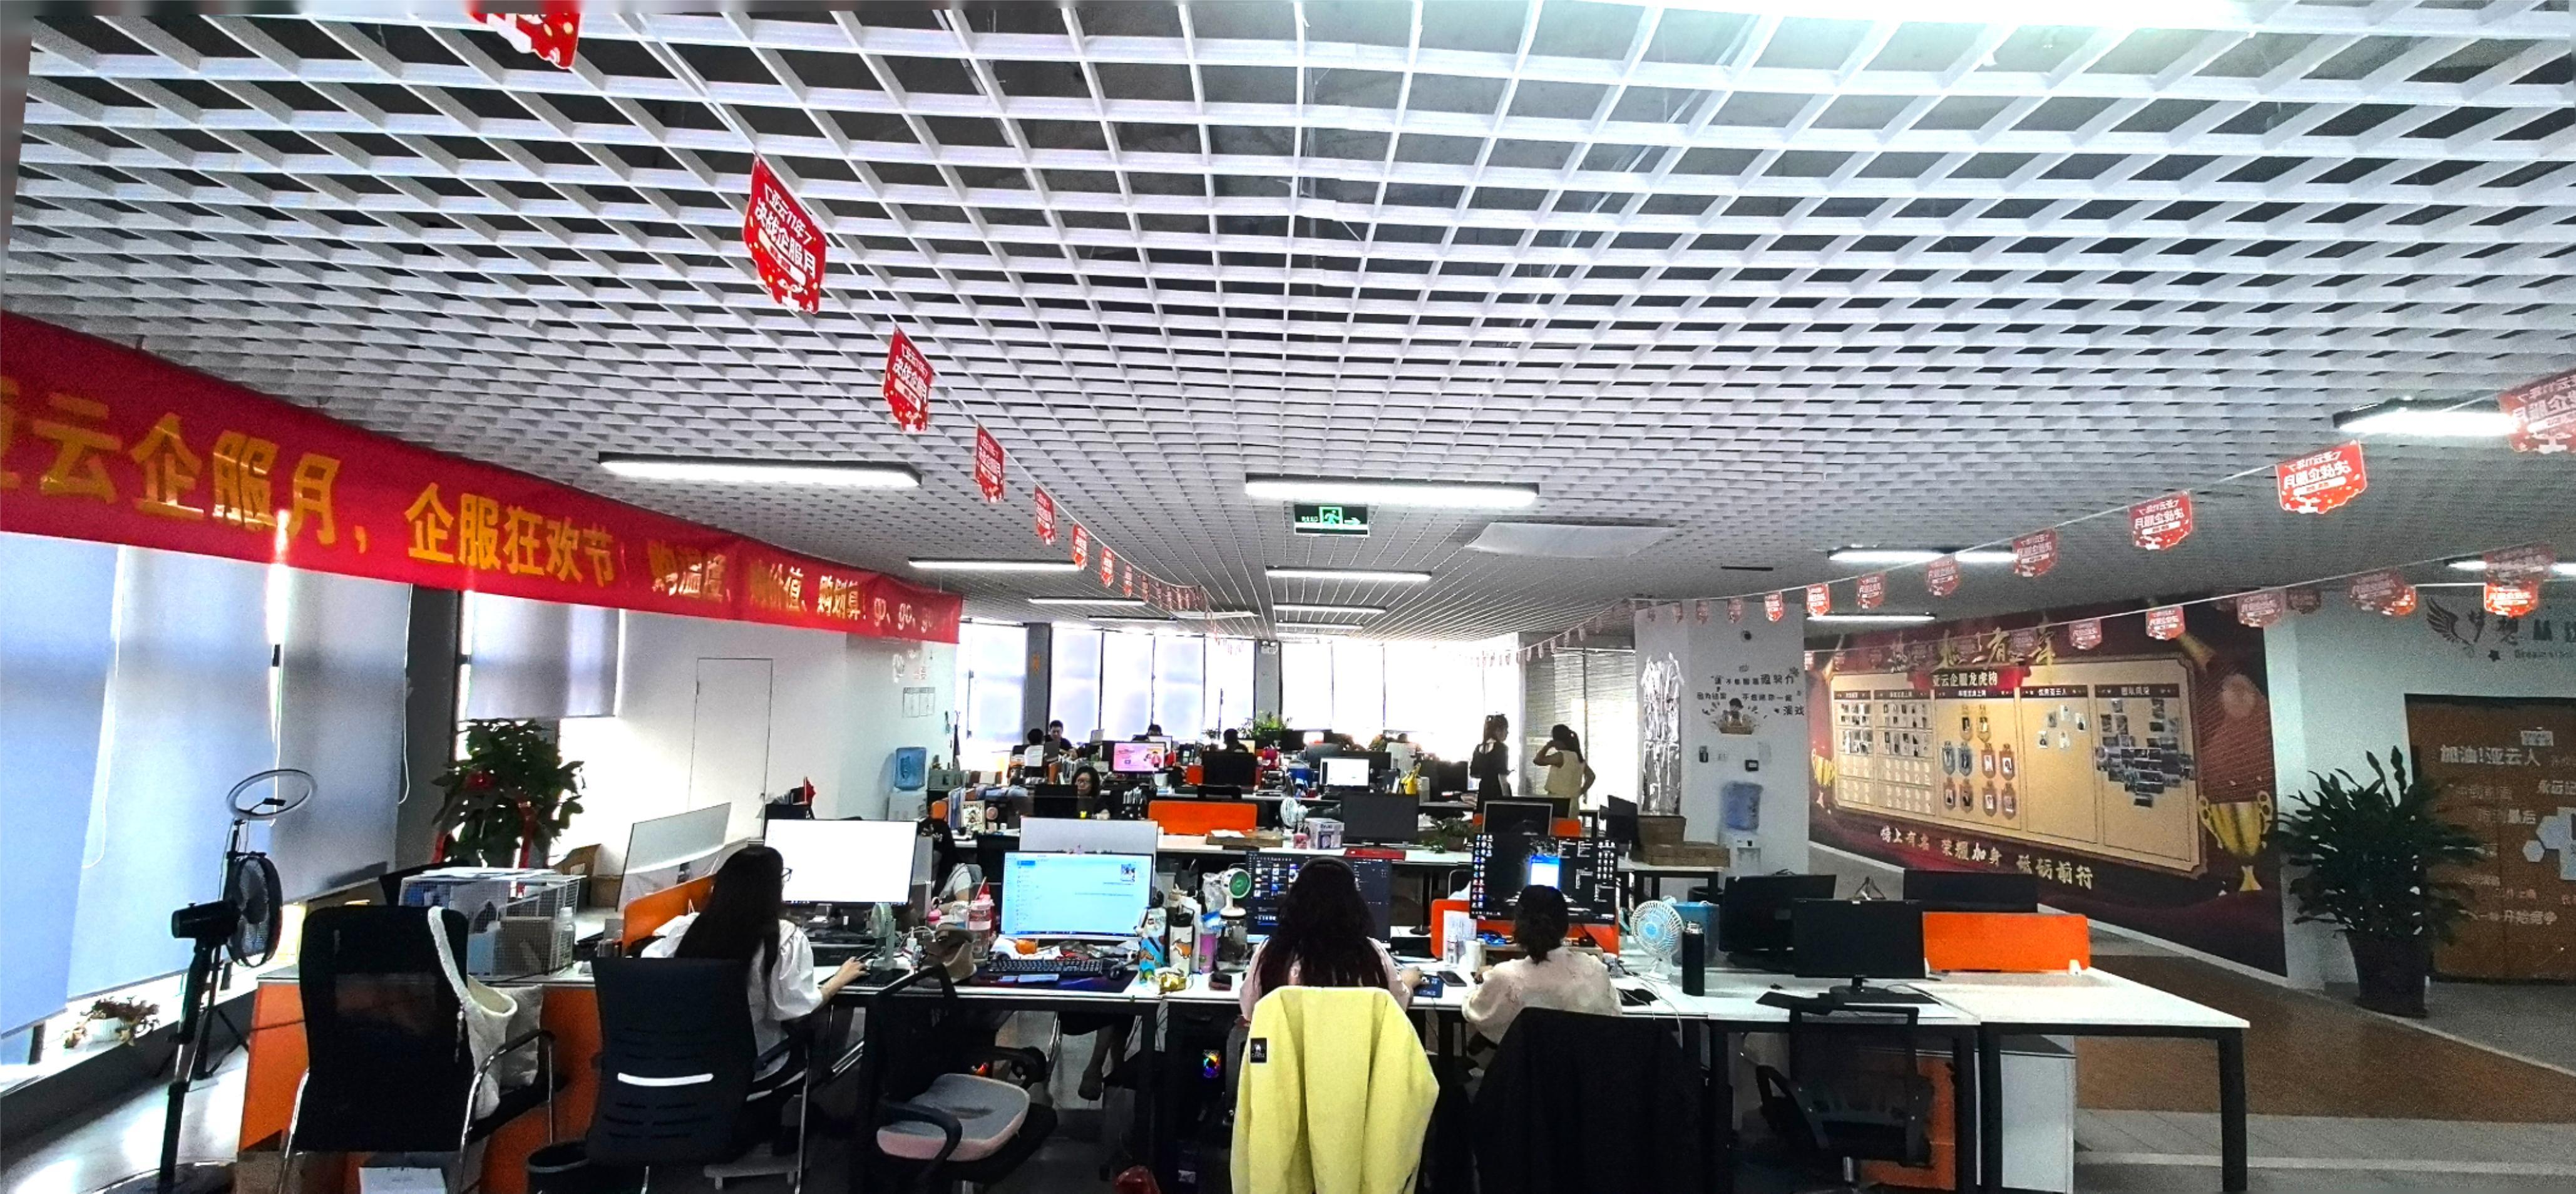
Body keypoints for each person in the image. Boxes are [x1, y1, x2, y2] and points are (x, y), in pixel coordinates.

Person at [643, 847, 866, 1081]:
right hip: (755, 1068)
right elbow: (796, 1010)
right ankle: (825, 1091)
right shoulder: (783, 938)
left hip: (683, 1067)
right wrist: (837, 981)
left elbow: (648, 967)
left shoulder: (687, 929)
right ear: (773, 889)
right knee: (824, 1019)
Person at [1239, 857, 1419, 1019]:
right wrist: (1408, 982)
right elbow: (1397, 1007)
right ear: (1354, 905)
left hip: (1285, 1048)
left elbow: (1249, 1011)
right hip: (1353, 1047)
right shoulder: (1372, 954)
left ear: (1294, 901)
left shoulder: (1271, 953)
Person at [1462, 885, 1619, 1045]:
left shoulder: (1506, 977)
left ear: (1517, 925)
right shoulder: (1595, 970)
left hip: (1523, 1061)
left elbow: (1475, 1012)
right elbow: (1614, 1014)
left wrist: (1487, 980)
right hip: (1581, 1061)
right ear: (1566, 926)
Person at [1533, 724, 1594, 805]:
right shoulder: (1579, 758)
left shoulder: (1561, 756)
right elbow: (1591, 776)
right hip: (1574, 802)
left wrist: (1547, 747)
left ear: (1557, 741)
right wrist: (1581, 792)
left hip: (1558, 802)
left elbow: (1538, 760)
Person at [1469, 714, 1512, 803]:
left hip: (1483, 791)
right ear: (1498, 730)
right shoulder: (1501, 748)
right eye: (1506, 729)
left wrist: (1487, 773)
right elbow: (1502, 778)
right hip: (1496, 792)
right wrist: (1508, 800)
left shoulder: (1478, 748)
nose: (1507, 733)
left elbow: (1473, 773)